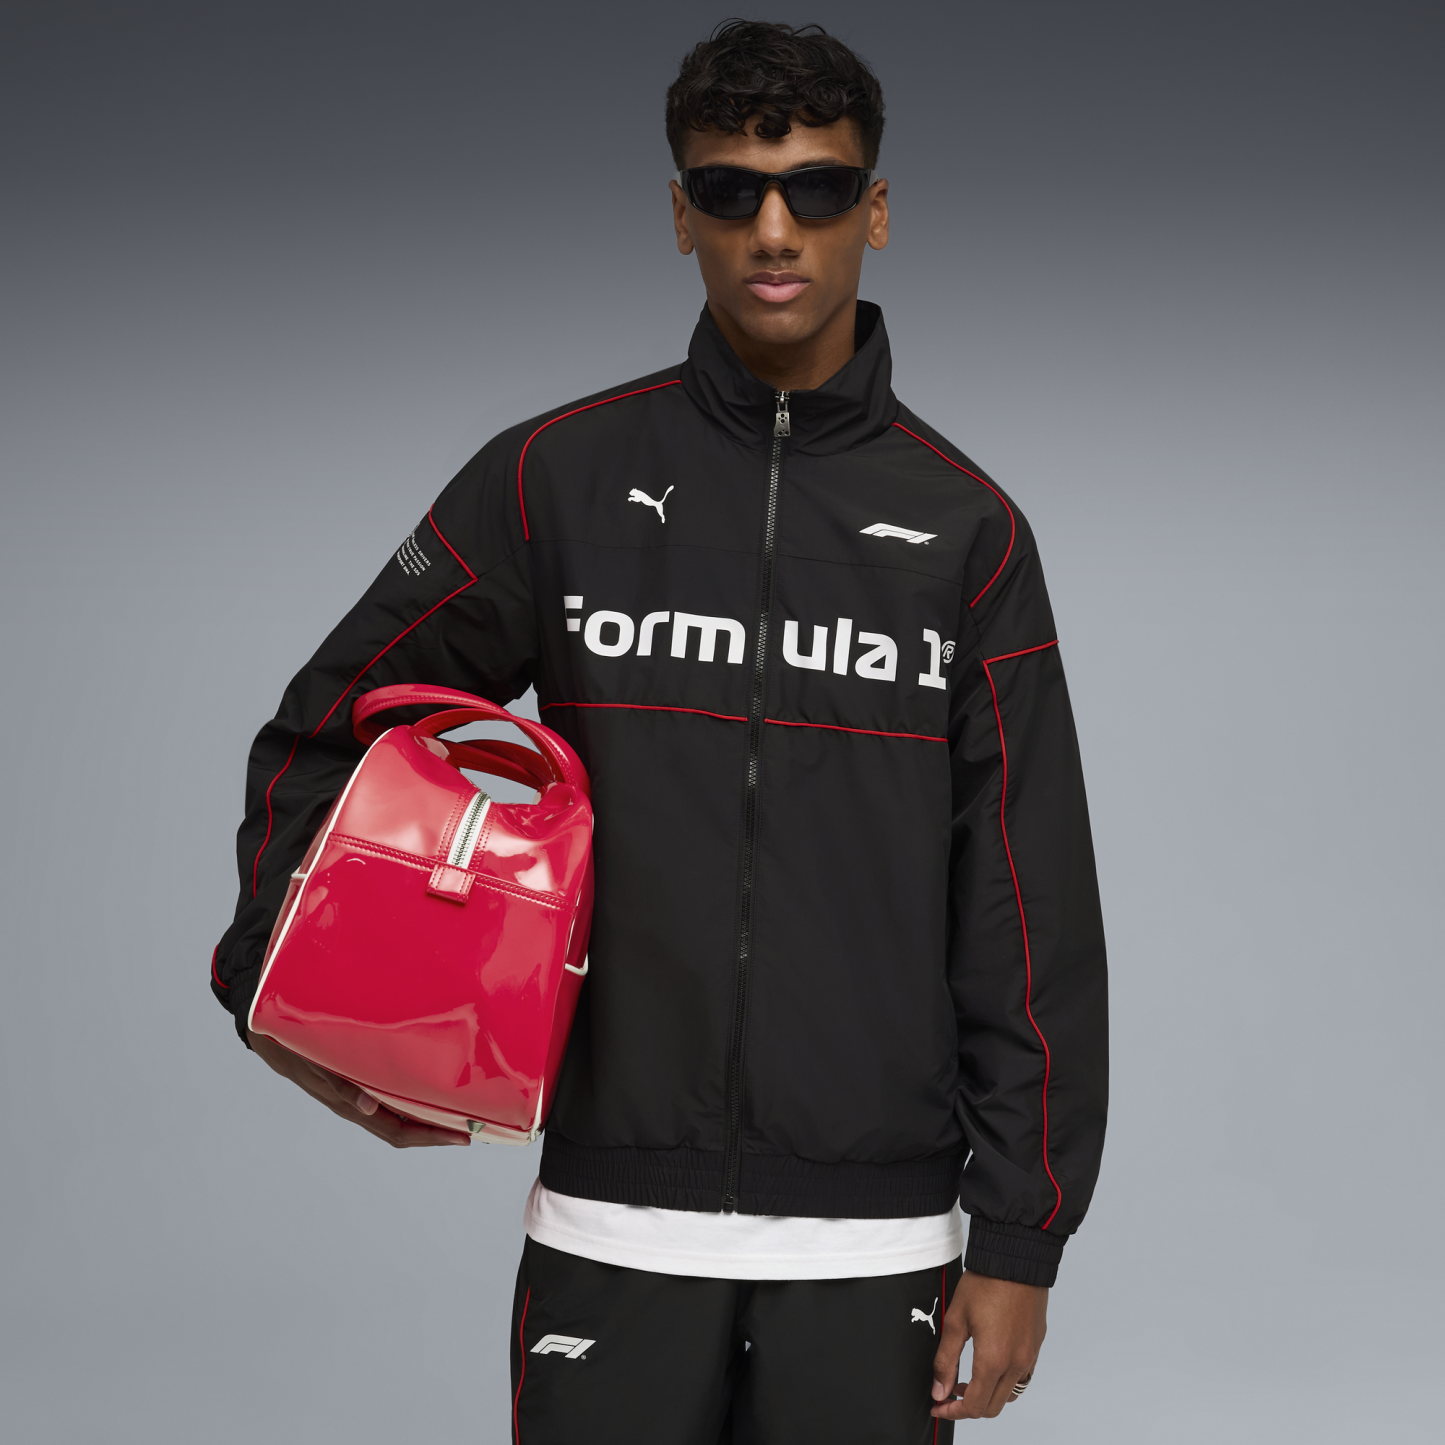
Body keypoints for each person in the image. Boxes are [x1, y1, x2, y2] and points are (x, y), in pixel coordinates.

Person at [211, 20, 1108, 1443]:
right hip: (609, 1217)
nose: (775, 229)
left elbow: (1028, 900)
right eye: (730, 190)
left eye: (817, 189)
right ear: (680, 214)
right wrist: (280, 987)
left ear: (875, 209)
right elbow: (329, 726)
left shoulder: (968, 533)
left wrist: (1022, 1237)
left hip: (876, 1245)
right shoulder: (551, 479)